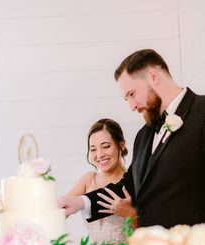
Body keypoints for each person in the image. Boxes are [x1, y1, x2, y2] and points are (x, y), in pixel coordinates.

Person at [59, 49, 205, 229]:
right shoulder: (143, 135)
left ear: (153, 76)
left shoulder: (202, 112)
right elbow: (128, 187)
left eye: (132, 94)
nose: (131, 106)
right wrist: (80, 203)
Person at [64, 118, 129, 245]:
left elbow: (146, 228)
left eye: (106, 146)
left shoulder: (133, 180)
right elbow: (62, 207)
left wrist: (130, 214)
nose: (99, 155)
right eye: (93, 149)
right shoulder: (88, 179)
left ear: (121, 145)